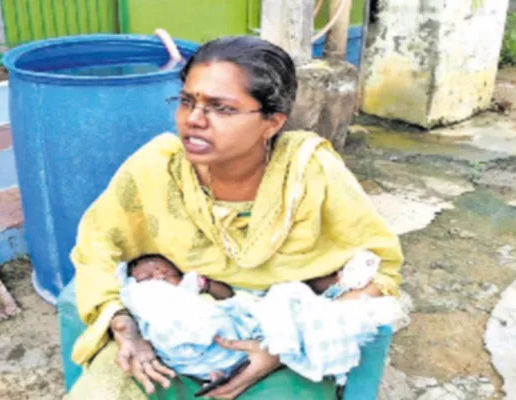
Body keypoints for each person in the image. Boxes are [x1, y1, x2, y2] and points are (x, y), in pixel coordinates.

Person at [66, 36, 403, 400]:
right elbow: (97, 247)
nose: (193, 120)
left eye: (221, 108)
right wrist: (125, 327)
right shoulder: (156, 169)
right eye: (186, 101)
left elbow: (380, 271)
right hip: (170, 332)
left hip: (287, 338)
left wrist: (276, 350)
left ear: (271, 123)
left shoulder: (309, 175)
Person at [117, 253, 401, 386]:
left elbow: (229, 297)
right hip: (201, 343)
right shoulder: (151, 171)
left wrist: (205, 285)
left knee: (288, 299)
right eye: (146, 278)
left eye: (165, 273)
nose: (157, 278)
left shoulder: (192, 283)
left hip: (245, 323)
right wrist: (125, 324)